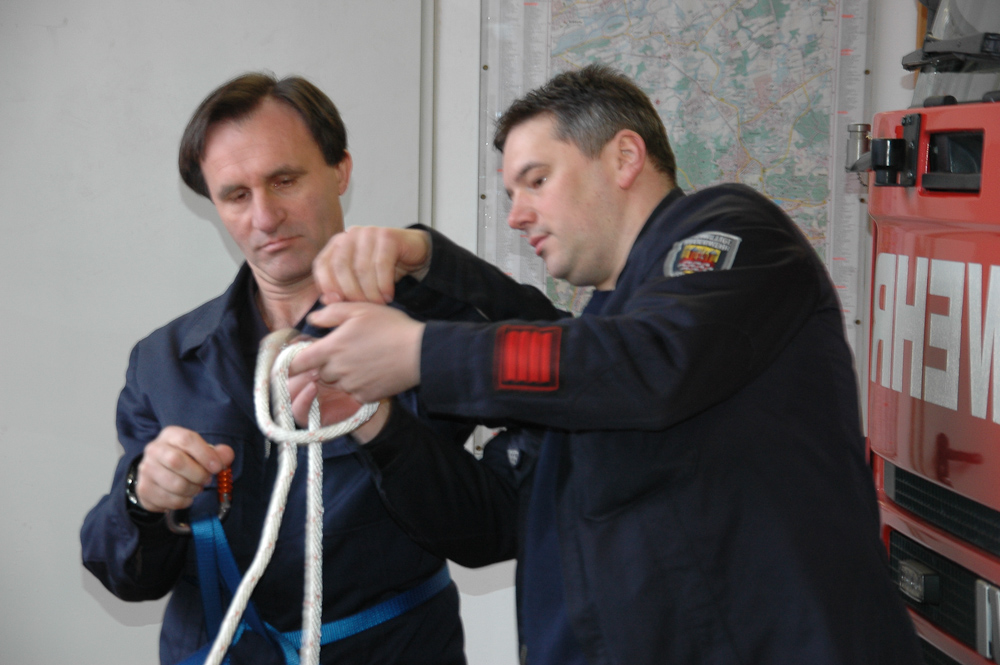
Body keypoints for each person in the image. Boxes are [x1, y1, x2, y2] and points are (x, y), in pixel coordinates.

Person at [288, 65, 923, 664]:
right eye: (511, 193)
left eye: (537, 180)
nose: (516, 215)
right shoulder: (596, 346)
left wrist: (421, 352)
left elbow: (647, 360)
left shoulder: (736, 234)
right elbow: (486, 525)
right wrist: (374, 418)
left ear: (624, 157)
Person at [80, 73, 467, 665]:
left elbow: (484, 528)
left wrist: (383, 425)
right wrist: (142, 499)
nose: (265, 217)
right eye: (236, 195)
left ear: (340, 170)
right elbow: (127, 577)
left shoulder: (427, 336)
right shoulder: (164, 360)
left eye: (284, 180)